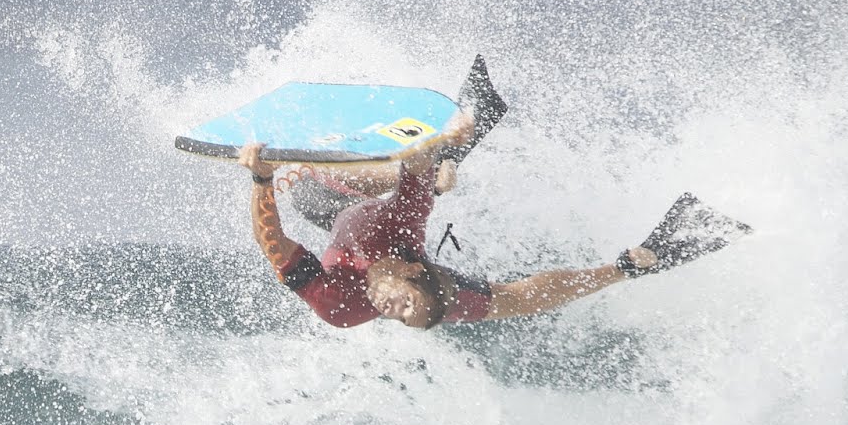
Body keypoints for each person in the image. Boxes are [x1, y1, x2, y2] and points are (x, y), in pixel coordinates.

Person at [240, 96, 751, 330]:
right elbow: (527, 296)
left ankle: (442, 166)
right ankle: (445, 164)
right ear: (415, 272)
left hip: (323, 209)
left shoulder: (341, 306)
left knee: (333, 184)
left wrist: (262, 179)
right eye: (404, 306)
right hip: (375, 204)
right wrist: (435, 140)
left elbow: (274, 245)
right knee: (417, 181)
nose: (389, 312)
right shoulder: (405, 233)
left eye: (397, 318)